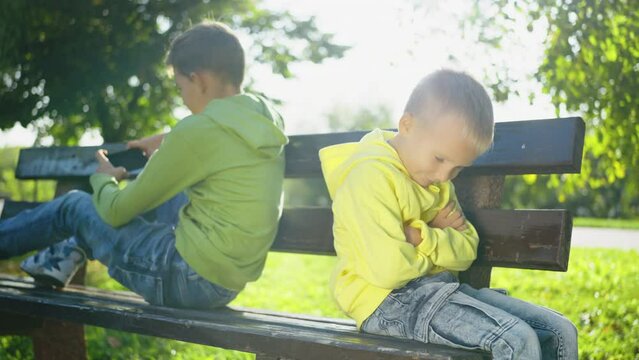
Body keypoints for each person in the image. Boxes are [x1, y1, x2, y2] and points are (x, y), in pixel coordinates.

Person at [0, 21, 288, 310]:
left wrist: (104, 179)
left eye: (180, 87)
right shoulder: (264, 117)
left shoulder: (196, 133)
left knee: (73, 206)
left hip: (182, 279)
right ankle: (65, 253)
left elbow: (115, 212)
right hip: (224, 283)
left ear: (198, 80)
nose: (183, 98)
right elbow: (219, 133)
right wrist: (166, 140)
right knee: (167, 192)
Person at [318, 69, 578, 359]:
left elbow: (466, 250)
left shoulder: (438, 184)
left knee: (559, 332)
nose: (444, 176)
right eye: (440, 158)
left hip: (443, 292)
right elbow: (389, 270)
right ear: (407, 125)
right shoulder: (370, 176)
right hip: (384, 302)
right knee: (515, 340)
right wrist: (441, 241)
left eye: (457, 168)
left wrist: (419, 236)